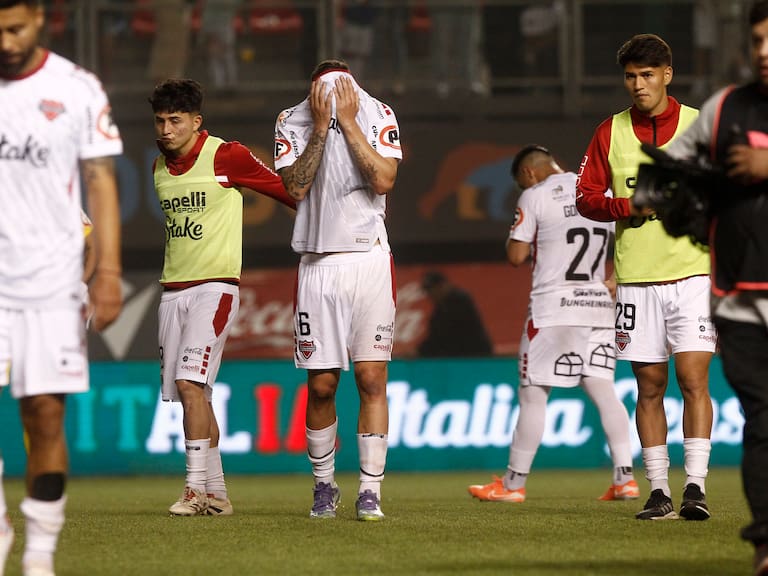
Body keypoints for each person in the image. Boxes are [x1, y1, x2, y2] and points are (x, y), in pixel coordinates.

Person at [0, 1, 124, 574]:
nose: (4, 41)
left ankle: (40, 557)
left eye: (14, 28)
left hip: (51, 281)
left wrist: (106, 271)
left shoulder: (76, 87)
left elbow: (100, 182)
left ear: (40, 19)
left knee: (44, 415)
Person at [576, 34, 716, 521]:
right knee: (649, 384)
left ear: (668, 74)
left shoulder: (701, 127)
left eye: (648, 75)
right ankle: (659, 491)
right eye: (632, 77)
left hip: (693, 272)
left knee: (692, 377)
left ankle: (695, 487)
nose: (638, 85)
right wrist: (627, 206)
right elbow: (585, 197)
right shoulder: (608, 132)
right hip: (635, 277)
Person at [149, 78, 295, 517]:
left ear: (197, 121)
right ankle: (217, 493)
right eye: (160, 120)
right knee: (196, 394)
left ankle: (194, 490)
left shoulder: (226, 155)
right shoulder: (159, 166)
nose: (166, 129)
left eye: (176, 120)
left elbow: (288, 192)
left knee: (189, 384)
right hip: (172, 290)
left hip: (214, 287)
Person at [661, 1, 768, 570]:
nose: (764, 52)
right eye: (757, 40)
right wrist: (684, 202)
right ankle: (765, 544)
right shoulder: (724, 108)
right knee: (763, 423)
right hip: (742, 301)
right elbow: (669, 181)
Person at [468, 145, 637, 504]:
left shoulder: (534, 195)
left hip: (553, 308)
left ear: (528, 174)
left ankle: (513, 484)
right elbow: (629, 239)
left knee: (533, 396)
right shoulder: (599, 192)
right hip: (598, 306)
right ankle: (625, 478)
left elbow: (516, 256)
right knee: (605, 391)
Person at [273, 59, 401, 521]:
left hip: (368, 258)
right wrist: (322, 129)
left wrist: (346, 122)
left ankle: (371, 490)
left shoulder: (377, 112)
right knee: (322, 383)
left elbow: (384, 179)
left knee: (371, 378)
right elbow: (296, 186)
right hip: (317, 263)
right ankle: (324, 486)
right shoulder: (291, 119)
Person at [418, 271, 493, 357]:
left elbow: (443, 335)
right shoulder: (442, 306)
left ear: (443, 285)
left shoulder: (459, 301)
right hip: (464, 356)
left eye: (431, 289)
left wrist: (420, 351)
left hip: (475, 357)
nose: (429, 295)